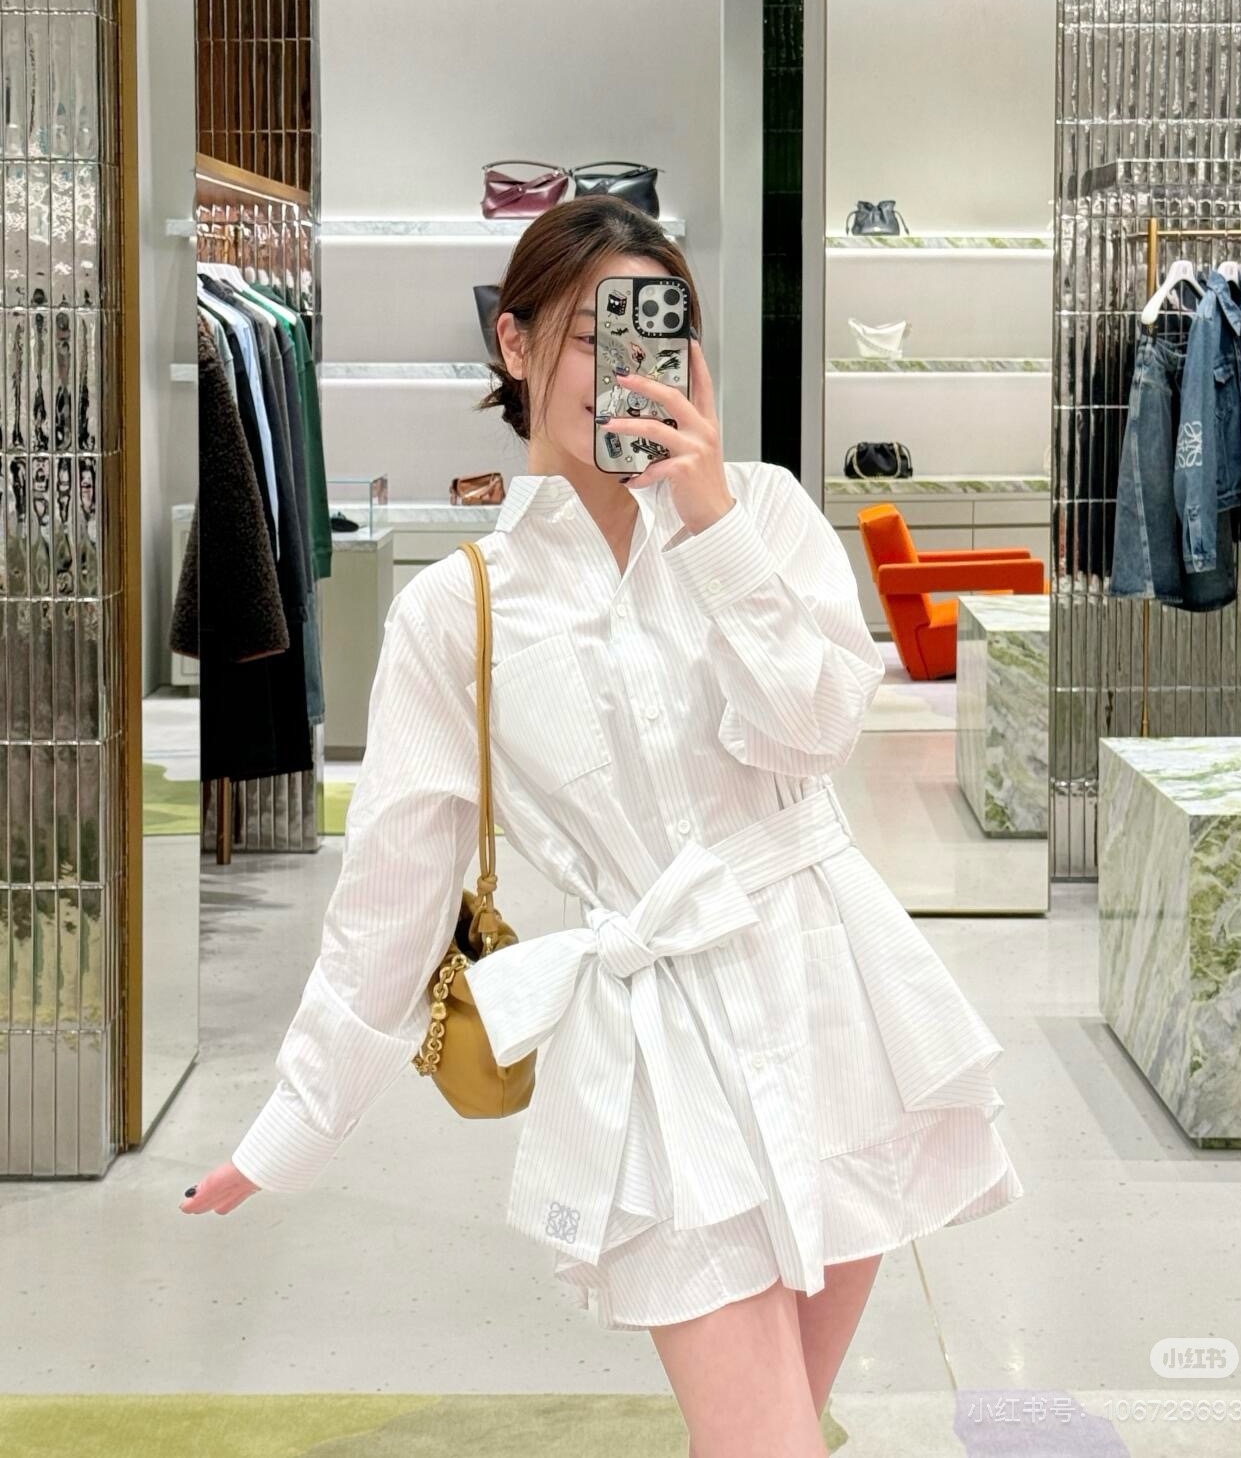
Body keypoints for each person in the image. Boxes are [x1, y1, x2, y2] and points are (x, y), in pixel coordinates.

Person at [181, 196, 1023, 1457]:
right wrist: (288, 1129)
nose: (625, 366)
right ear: (513, 344)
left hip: (830, 1002)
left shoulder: (764, 515)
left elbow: (811, 736)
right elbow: (391, 894)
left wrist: (713, 527)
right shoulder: (456, 609)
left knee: (770, 1432)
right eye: (589, 335)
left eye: (656, 333)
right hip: (659, 1043)